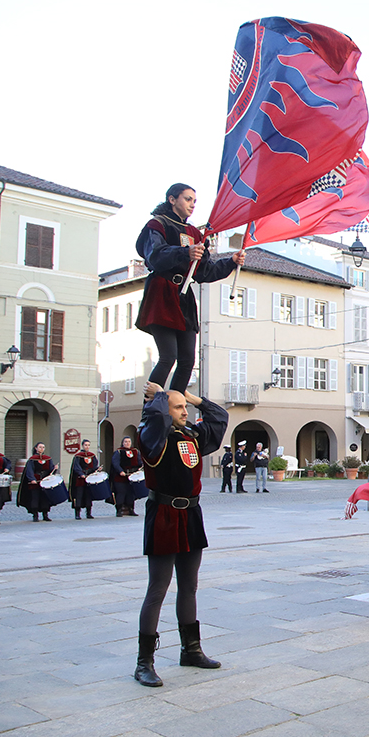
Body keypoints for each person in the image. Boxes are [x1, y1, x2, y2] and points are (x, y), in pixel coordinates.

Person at [133, 380, 228, 688]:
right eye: (178, 407)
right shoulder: (152, 436)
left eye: (184, 407)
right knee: (158, 588)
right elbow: (158, 418)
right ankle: (143, 662)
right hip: (163, 515)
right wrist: (160, 396)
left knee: (189, 586)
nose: (184, 411)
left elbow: (218, 418)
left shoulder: (191, 435)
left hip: (190, 513)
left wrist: (192, 397)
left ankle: (191, 649)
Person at [134, 183, 245, 392]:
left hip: (184, 295)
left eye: (194, 201)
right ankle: (150, 412)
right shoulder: (157, 225)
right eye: (187, 199)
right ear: (172, 199)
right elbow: (155, 255)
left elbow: (205, 272)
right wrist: (185, 252)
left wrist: (231, 261)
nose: (192, 204)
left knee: (187, 360)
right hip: (162, 292)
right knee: (168, 356)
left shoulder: (195, 232)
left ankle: (175, 407)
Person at [18, 442, 58, 521]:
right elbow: (29, 470)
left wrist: (55, 469)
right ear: (36, 448)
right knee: (35, 498)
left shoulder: (48, 458)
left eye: (43, 447)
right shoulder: (32, 459)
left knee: (45, 498)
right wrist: (32, 479)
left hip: (45, 481)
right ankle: (35, 515)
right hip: (35, 481)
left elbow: (51, 470)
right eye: (40, 447)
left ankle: (45, 515)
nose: (41, 449)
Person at [111, 436, 143, 517]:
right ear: (123, 443)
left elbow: (139, 461)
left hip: (132, 477)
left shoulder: (135, 451)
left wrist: (140, 467)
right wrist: (120, 471)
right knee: (121, 493)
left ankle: (131, 509)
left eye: (129, 441)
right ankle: (119, 510)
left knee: (131, 494)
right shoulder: (119, 452)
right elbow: (115, 463)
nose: (127, 443)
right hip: (121, 477)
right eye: (125, 442)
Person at [69, 439, 100, 520]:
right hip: (80, 479)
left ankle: (89, 513)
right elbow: (76, 467)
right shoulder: (78, 456)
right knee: (79, 496)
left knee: (88, 496)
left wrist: (97, 469)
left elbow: (94, 466)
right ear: (82, 446)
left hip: (89, 479)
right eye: (85, 445)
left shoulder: (92, 455)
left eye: (88, 445)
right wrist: (81, 474)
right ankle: (77, 513)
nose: (87, 446)